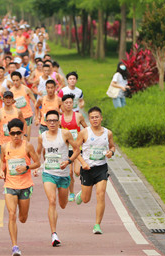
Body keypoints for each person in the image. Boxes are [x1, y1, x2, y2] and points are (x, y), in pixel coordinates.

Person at [36, 110, 80, 247]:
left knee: (63, 204)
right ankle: (54, 234)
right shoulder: (42, 137)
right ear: (46, 122)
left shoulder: (65, 134)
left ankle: (75, 196)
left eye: (55, 120)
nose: (52, 123)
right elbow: (38, 153)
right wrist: (37, 166)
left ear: (59, 122)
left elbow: (77, 149)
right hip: (48, 173)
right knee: (52, 201)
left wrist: (68, 161)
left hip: (63, 175)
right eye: (49, 120)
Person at [0, 118, 41, 256]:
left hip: (25, 186)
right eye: (13, 133)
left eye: (18, 133)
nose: (16, 136)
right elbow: (3, 162)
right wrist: (1, 171)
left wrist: (26, 167)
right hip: (10, 185)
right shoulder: (4, 147)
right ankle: (15, 246)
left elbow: (38, 163)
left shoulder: (27, 146)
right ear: (9, 134)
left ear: (22, 133)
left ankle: (22, 218)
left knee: (22, 218)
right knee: (12, 214)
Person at [74, 106, 116, 235]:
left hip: (101, 168)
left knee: (100, 194)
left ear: (101, 118)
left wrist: (111, 152)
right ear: (89, 119)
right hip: (87, 169)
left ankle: (97, 224)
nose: (94, 119)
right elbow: (76, 150)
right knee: (86, 199)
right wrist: (83, 163)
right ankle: (82, 195)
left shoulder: (108, 133)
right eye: (92, 117)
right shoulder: (84, 133)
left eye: (97, 117)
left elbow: (112, 146)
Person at [60, 94, 87, 201]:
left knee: (77, 172)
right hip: (66, 150)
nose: (68, 105)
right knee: (70, 172)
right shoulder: (60, 118)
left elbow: (86, 129)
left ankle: (84, 188)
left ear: (73, 104)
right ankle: (71, 193)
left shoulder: (78, 116)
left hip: (77, 149)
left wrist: (86, 140)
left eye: (70, 102)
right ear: (62, 104)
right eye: (66, 103)